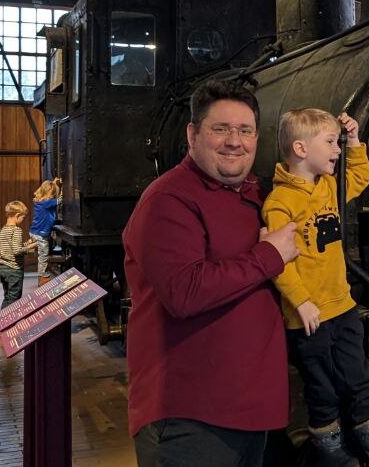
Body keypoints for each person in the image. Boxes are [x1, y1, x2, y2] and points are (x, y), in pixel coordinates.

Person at [122, 79, 298, 467]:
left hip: (248, 409)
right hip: (191, 418)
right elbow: (184, 291)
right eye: (221, 129)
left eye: (245, 130)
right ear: (193, 133)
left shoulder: (253, 194)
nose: (235, 141)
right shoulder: (168, 200)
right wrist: (269, 255)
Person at [265, 109, 369, 467]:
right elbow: (280, 261)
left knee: (360, 383)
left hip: (343, 308)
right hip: (310, 317)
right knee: (322, 392)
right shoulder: (280, 203)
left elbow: (360, 175)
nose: (336, 150)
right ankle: (335, 460)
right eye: (331, 143)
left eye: (337, 143)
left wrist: (354, 142)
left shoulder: (329, 188)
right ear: (301, 148)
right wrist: (302, 302)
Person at [0, 201, 38, 309]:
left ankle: (4, 321)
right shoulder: (17, 230)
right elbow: (17, 251)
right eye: (23, 217)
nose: (23, 220)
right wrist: (33, 245)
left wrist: (28, 242)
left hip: (3, 267)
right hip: (14, 269)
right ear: (17, 215)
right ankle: (6, 322)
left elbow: (14, 247)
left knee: (8, 296)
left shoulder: (4, 229)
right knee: (14, 298)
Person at [30, 177, 61, 285]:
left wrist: (54, 182)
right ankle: (42, 277)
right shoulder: (47, 203)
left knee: (41, 255)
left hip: (35, 232)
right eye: (53, 194)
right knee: (43, 257)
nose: (54, 197)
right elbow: (60, 200)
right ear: (49, 194)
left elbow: (48, 188)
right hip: (41, 234)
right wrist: (62, 190)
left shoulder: (40, 201)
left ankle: (42, 274)